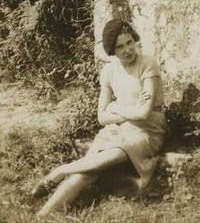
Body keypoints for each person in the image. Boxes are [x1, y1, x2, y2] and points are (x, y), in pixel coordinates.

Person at [32, 19, 166, 218]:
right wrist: (124, 111)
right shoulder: (109, 71)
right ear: (112, 50)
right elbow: (102, 117)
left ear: (135, 40)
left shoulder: (147, 64)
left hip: (147, 129)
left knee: (114, 155)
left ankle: (59, 171)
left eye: (130, 42)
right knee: (87, 171)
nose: (128, 49)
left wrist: (117, 107)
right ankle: (43, 215)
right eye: (120, 46)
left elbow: (143, 113)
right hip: (118, 127)